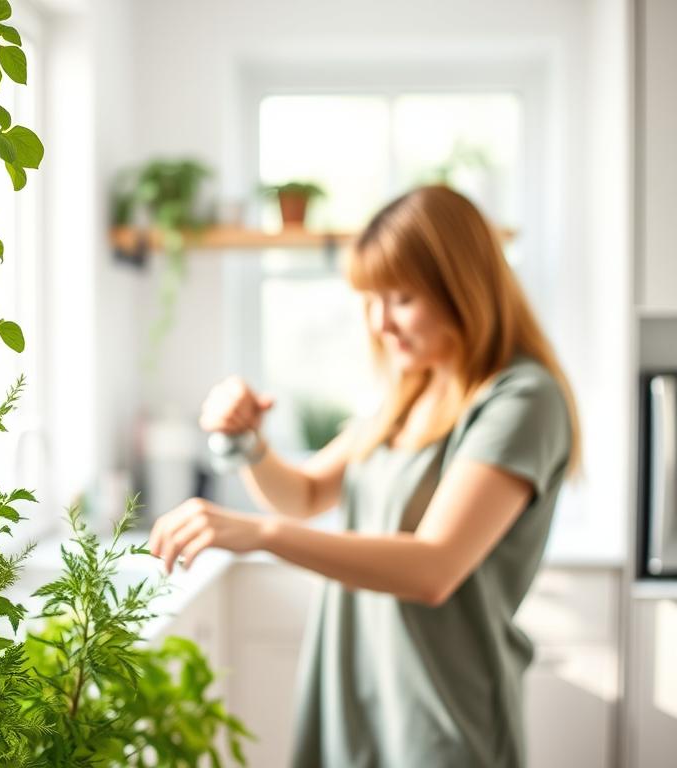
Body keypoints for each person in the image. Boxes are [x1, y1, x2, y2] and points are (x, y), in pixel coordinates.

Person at [147, 185, 581, 768]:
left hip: (443, 719)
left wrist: (260, 536)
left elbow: (433, 567)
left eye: (401, 298)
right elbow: (302, 496)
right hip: (353, 700)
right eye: (369, 300)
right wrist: (246, 443)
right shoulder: (408, 392)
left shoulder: (521, 400)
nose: (380, 323)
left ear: (464, 288)